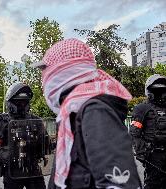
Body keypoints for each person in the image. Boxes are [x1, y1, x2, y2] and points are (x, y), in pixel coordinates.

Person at [31, 38, 142, 189]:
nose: (44, 78)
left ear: (64, 71)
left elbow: (120, 183)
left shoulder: (95, 111)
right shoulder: (73, 112)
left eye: (46, 71)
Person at [0, 82, 46, 189]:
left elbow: (45, 143)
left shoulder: (36, 120)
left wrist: (48, 145)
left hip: (33, 169)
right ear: (10, 103)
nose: (22, 105)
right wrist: (13, 156)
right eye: (18, 102)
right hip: (12, 170)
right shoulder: (1, 122)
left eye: (25, 102)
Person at [130, 74, 166, 189]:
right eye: (157, 90)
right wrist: (141, 152)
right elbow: (134, 133)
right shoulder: (142, 108)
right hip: (153, 155)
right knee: (153, 184)